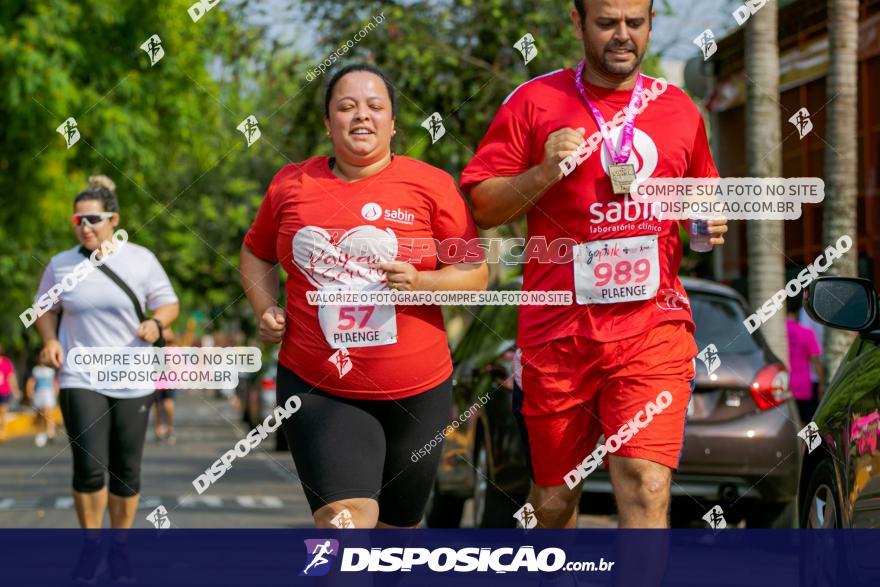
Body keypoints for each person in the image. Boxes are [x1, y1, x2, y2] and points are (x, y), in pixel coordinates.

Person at [460, 0, 728, 528]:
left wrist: (706, 223)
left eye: (635, 23)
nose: (622, 36)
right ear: (577, 22)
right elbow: (483, 206)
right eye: (606, 23)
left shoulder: (678, 108)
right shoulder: (535, 101)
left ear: (651, 24)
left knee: (646, 485)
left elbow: (705, 198)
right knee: (555, 501)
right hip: (558, 332)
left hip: (653, 327)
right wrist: (543, 173)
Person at [240, 64, 488, 529]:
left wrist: (424, 283)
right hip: (320, 384)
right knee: (346, 518)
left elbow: (475, 272)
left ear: (393, 123)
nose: (361, 116)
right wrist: (265, 307)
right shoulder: (290, 185)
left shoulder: (431, 184)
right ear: (327, 122)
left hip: (418, 390)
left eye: (375, 107)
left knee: (398, 533)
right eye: (346, 106)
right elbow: (255, 253)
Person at [32, 175, 178, 582]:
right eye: (78, 219)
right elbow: (45, 308)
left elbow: (168, 304)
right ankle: (91, 544)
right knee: (89, 466)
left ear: (114, 219)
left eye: (93, 218)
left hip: (132, 375)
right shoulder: (62, 264)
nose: (85, 226)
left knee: (126, 470)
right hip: (81, 374)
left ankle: (119, 546)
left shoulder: (141, 260)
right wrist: (49, 340)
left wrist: (155, 323)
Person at [787, 297, 824, 423]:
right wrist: (822, 383)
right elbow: (815, 360)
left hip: (785, 385)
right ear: (798, 312)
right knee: (809, 423)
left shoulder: (778, 335)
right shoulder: (806, 333)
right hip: (806, 386)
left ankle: (794, 443)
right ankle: (808, 443)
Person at [153, 328, 178, 445]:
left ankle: (165, 429)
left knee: (164, 405)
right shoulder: (158, 349)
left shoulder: (173, 349)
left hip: (165, 380)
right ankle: (163, 430)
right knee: (161, 406)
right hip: (160, 381)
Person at [26, 363, 59, 447]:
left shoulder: (51, 370)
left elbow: (54, 383)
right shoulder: (35, 370)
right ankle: (40, 433)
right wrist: (30, 392)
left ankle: (50, 432)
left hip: (49, 394)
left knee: (49, 413)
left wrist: (56, 393)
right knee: (40, 415)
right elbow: (31, 381)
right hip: (38, 394)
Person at [0, 345, 20, 442]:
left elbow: (10, 377)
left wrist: (15, 390)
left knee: (3, 412)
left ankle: (2, 432)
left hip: (4, 391)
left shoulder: (6, 362)